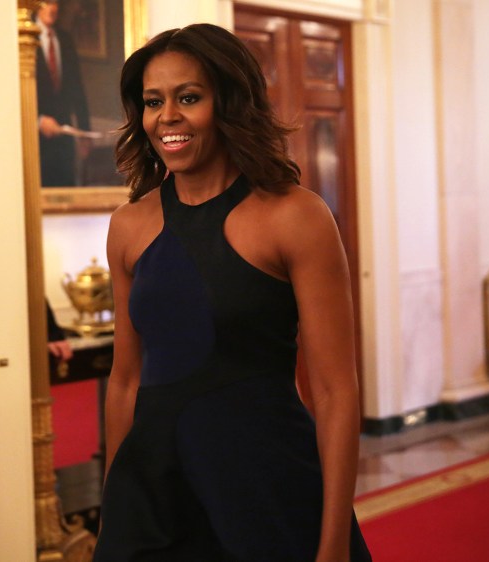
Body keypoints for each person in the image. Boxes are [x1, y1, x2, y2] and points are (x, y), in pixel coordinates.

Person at [94, 24, 372, 561]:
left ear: (229, 103)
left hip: (266, 489)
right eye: (153, 102)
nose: (167, 117)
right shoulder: (128, 226)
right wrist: (115, 513)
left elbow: (335, 392)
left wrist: (334, 543)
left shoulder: (296, 216)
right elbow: (125, 381)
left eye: (188, 98)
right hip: (154, 498)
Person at [35, 0, 91, 187]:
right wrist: (38, 120)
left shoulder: (65, 40)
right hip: (35, 140)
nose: (52, 8)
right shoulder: (24, 37)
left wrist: (84, 131)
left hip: (64, 137)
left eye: (55, 2)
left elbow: (77, 89)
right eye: (47, 2)